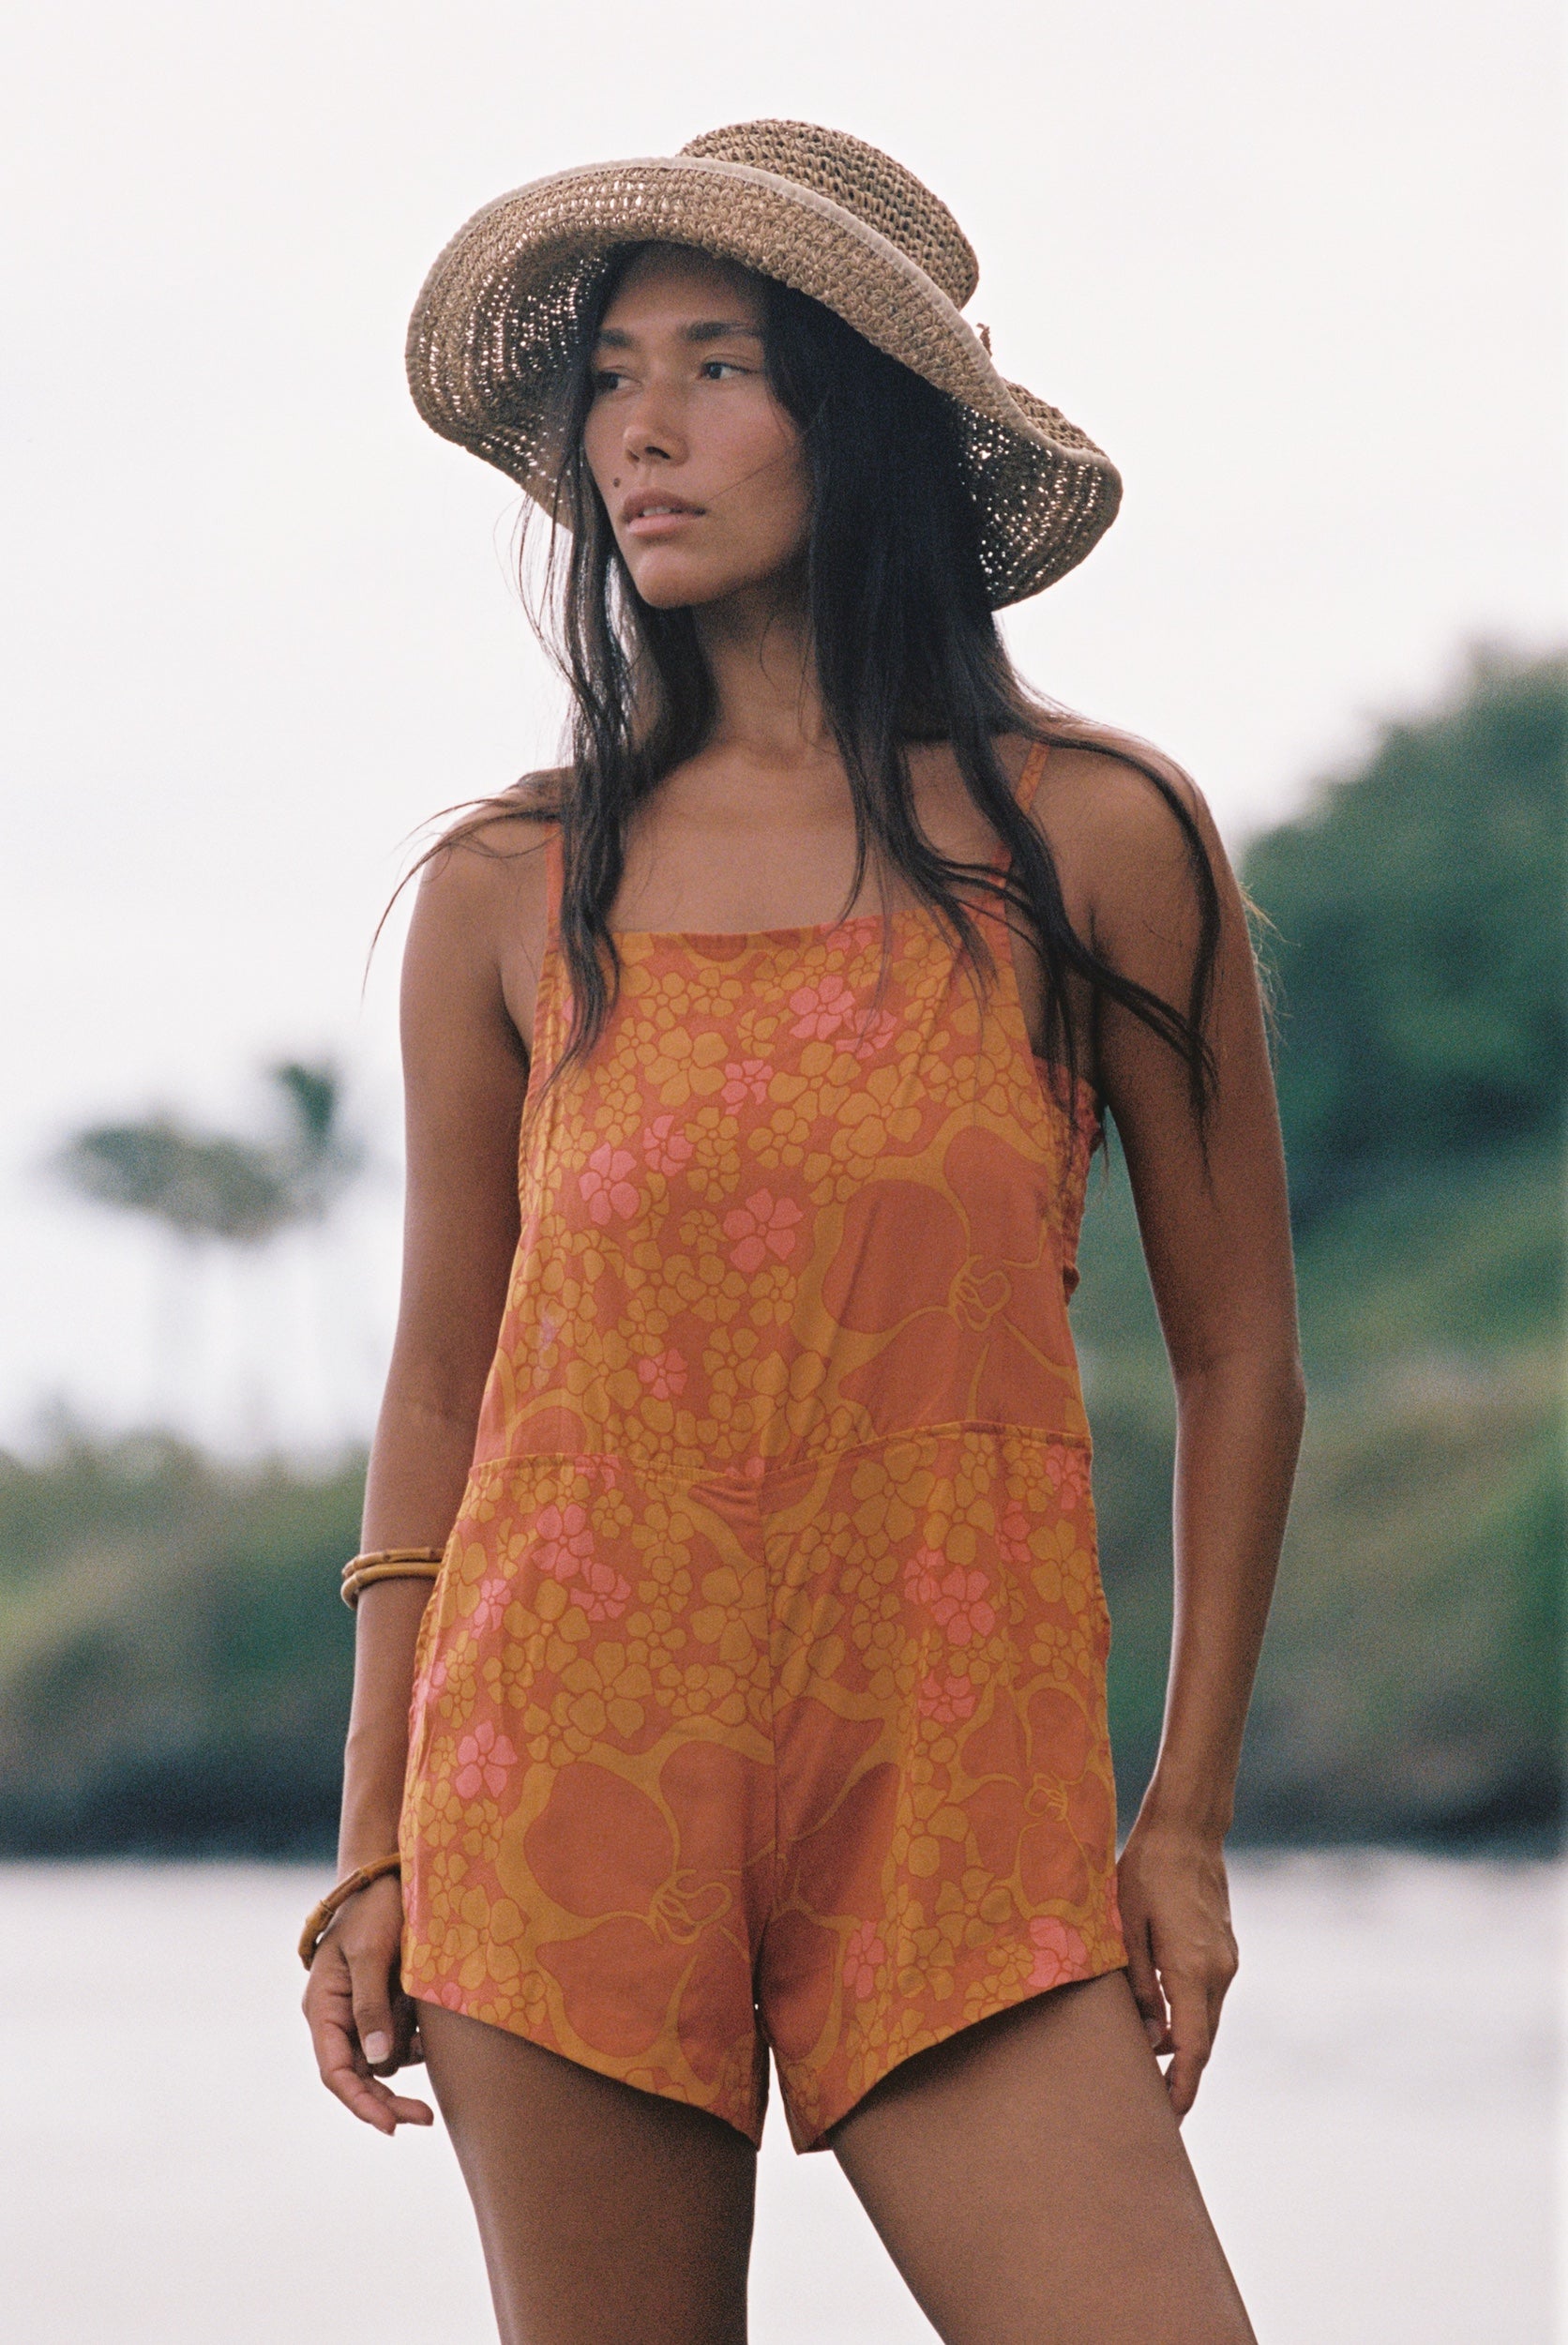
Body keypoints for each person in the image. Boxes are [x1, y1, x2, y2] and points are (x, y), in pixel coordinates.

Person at [300, 120, 1304, 2345]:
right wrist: (373, 1834)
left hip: (958, 1790)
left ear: (858, 422)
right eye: (609, 376)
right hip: (553, 1782)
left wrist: (1186, 1817)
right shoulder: (509, 887)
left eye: (716, 364)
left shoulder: (1094, 836)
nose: (636, 429)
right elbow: (444, 1376)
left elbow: (1238, 1351)